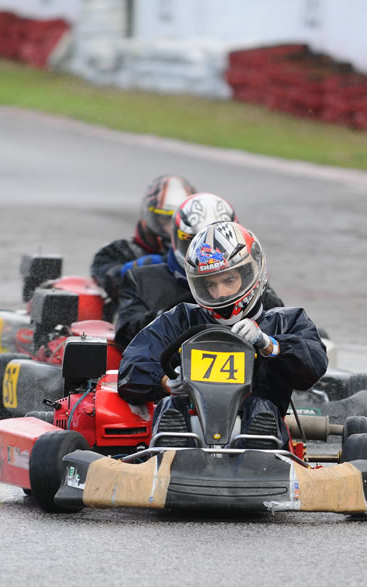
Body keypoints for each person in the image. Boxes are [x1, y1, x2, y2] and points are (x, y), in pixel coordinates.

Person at [117, 222, 328, 447]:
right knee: (171, 407)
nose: (220, 294)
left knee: (260, 409)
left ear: (250, 272)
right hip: (191, 429)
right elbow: (132, 366)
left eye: (229, 280)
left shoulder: (284, 322)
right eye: (210, 284)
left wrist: (268, 344)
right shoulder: (180, 320)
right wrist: (165, 382)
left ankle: (259, 458)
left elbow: (314, 365)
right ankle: (170, 455)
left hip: (261, 437)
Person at [113, 192, 285, 347]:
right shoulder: (140, 279)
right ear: (177, 239)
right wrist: (175, 315)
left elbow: (285, 335)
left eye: (229, 280)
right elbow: (126, 337)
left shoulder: (252, 287)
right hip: (169, 372)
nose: (208, 254)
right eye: (197, 243)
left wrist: (265, 342)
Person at [89, 174, 196, 316]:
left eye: (181, 221)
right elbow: (105, 276)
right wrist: (135, 270)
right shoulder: (119, 250)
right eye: (166, 220)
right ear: (150, 218)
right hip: (135, 323)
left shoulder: (200, 255)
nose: (174, 228)